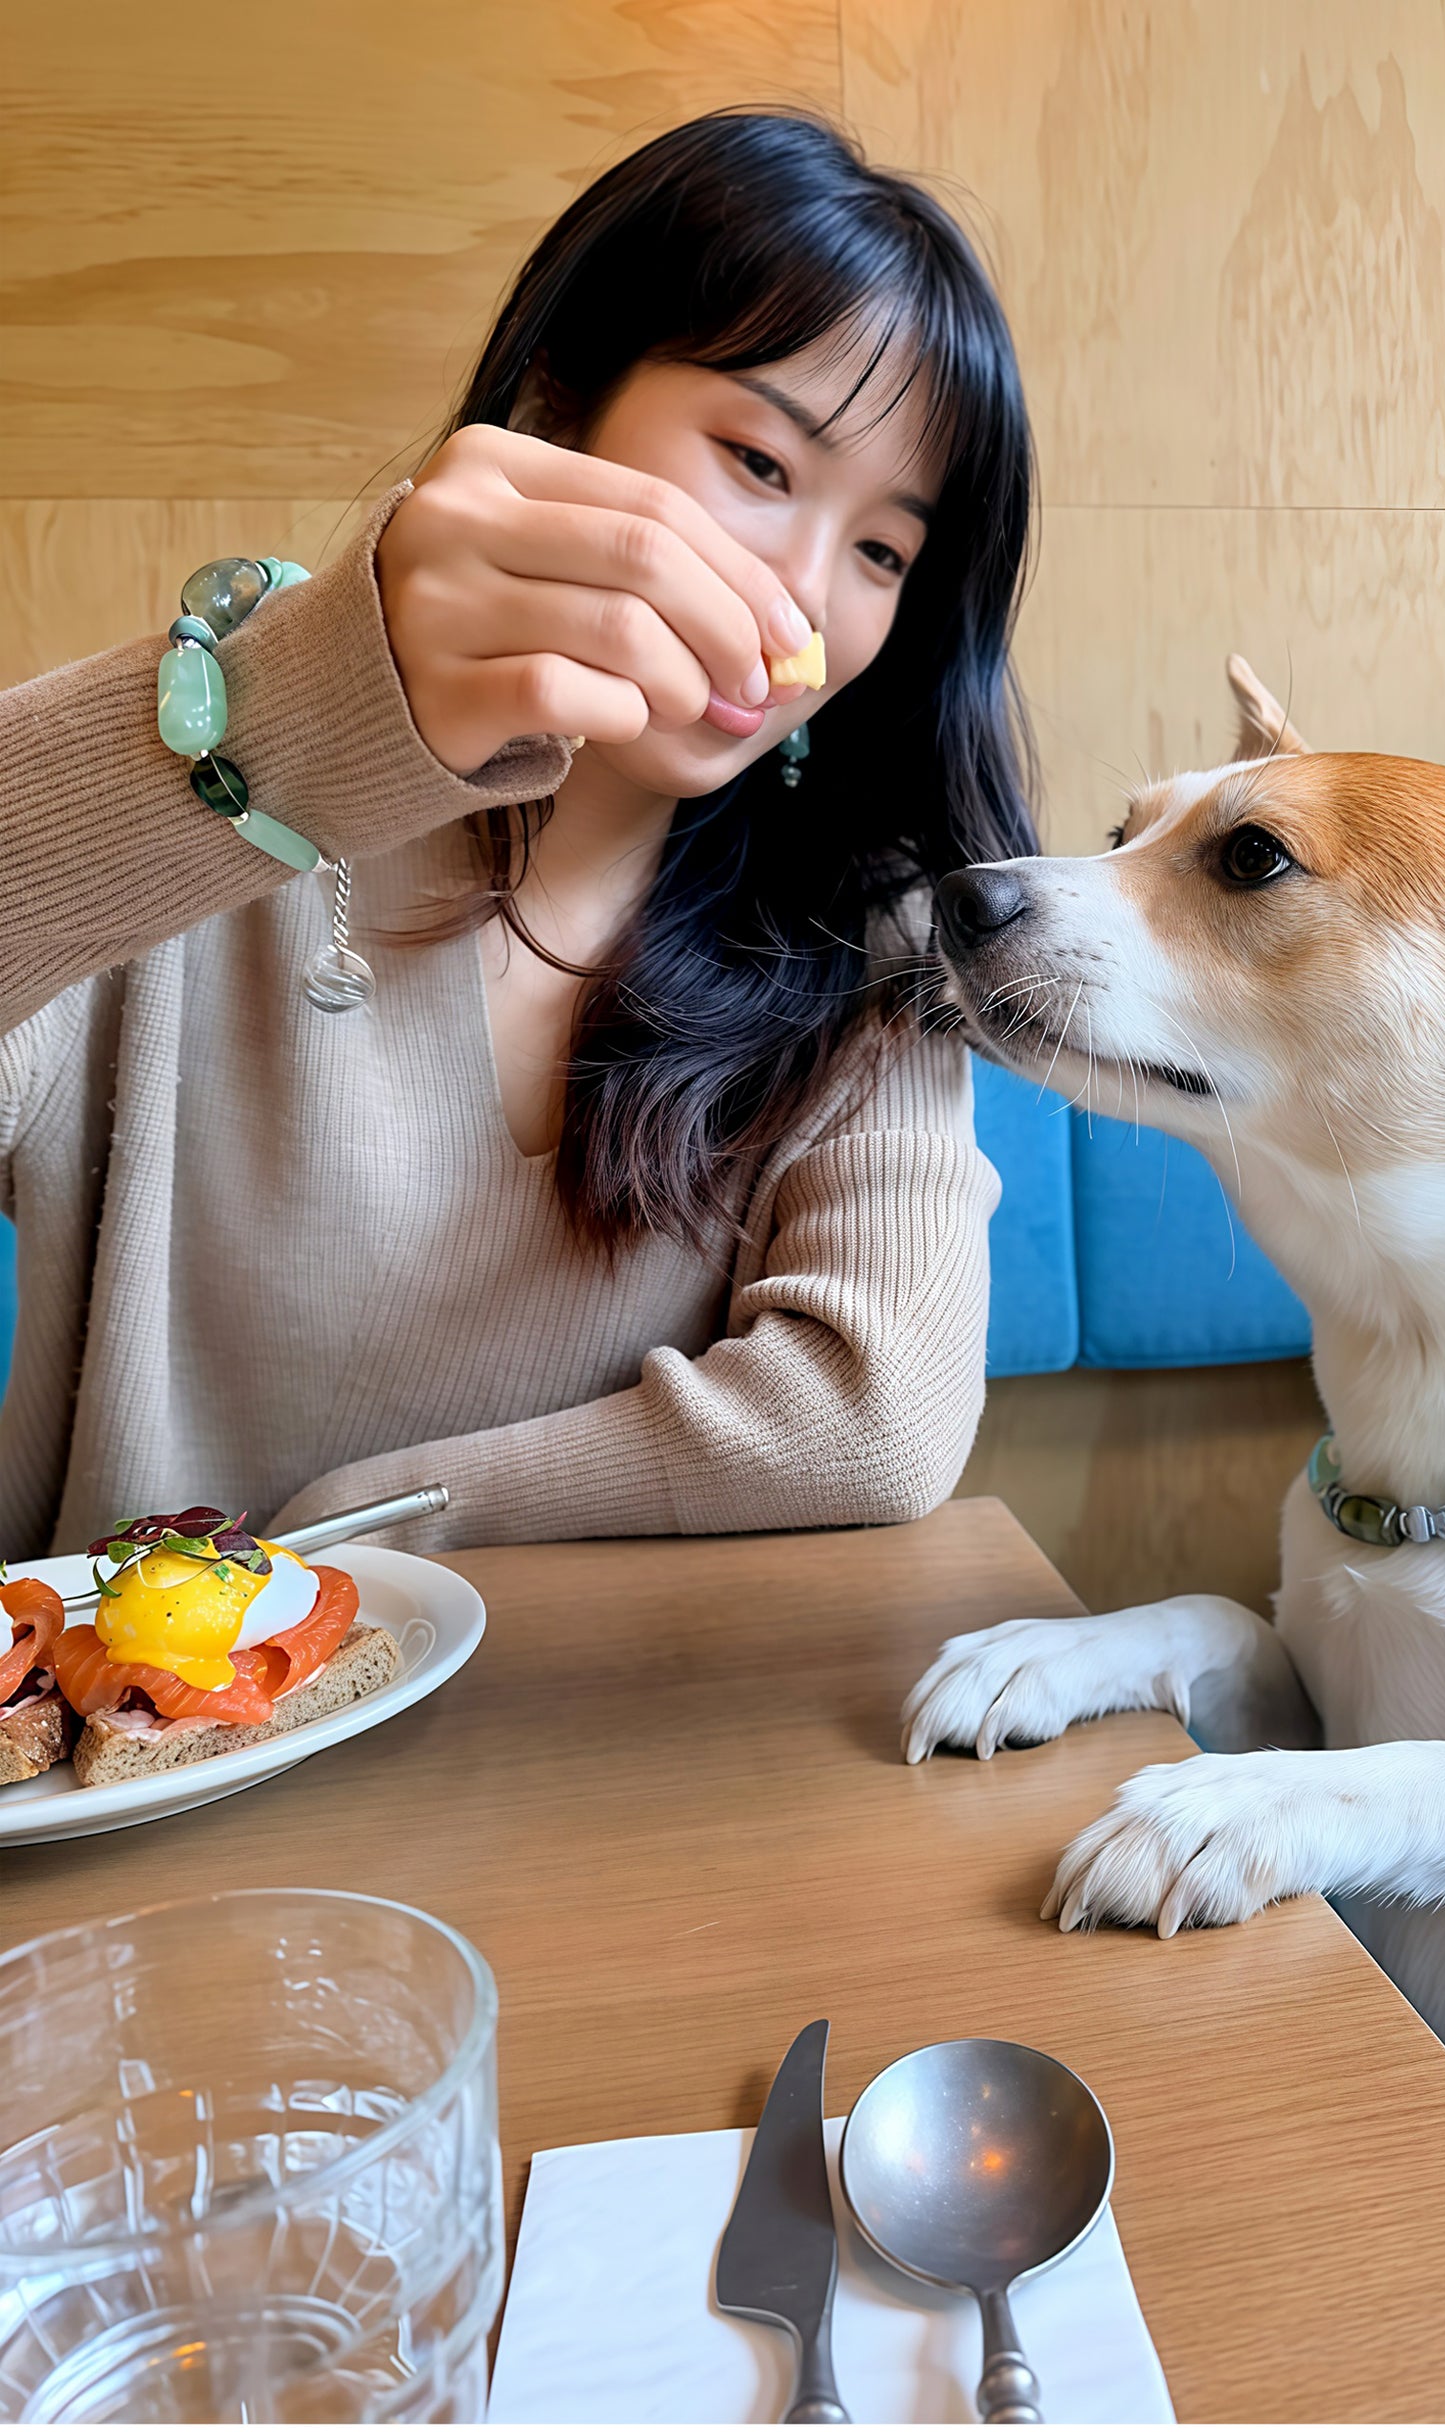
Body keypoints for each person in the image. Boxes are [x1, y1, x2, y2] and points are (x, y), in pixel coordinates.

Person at [0, 110, 1035, 1557]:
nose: (804, 594)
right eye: (759, 461)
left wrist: (365, 1530)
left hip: (606, 1704)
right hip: (121, 1703)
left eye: (882, 550)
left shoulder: (859, 940)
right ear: (553, 411)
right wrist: (296, 712)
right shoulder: (213, 791)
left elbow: (877, 1414)